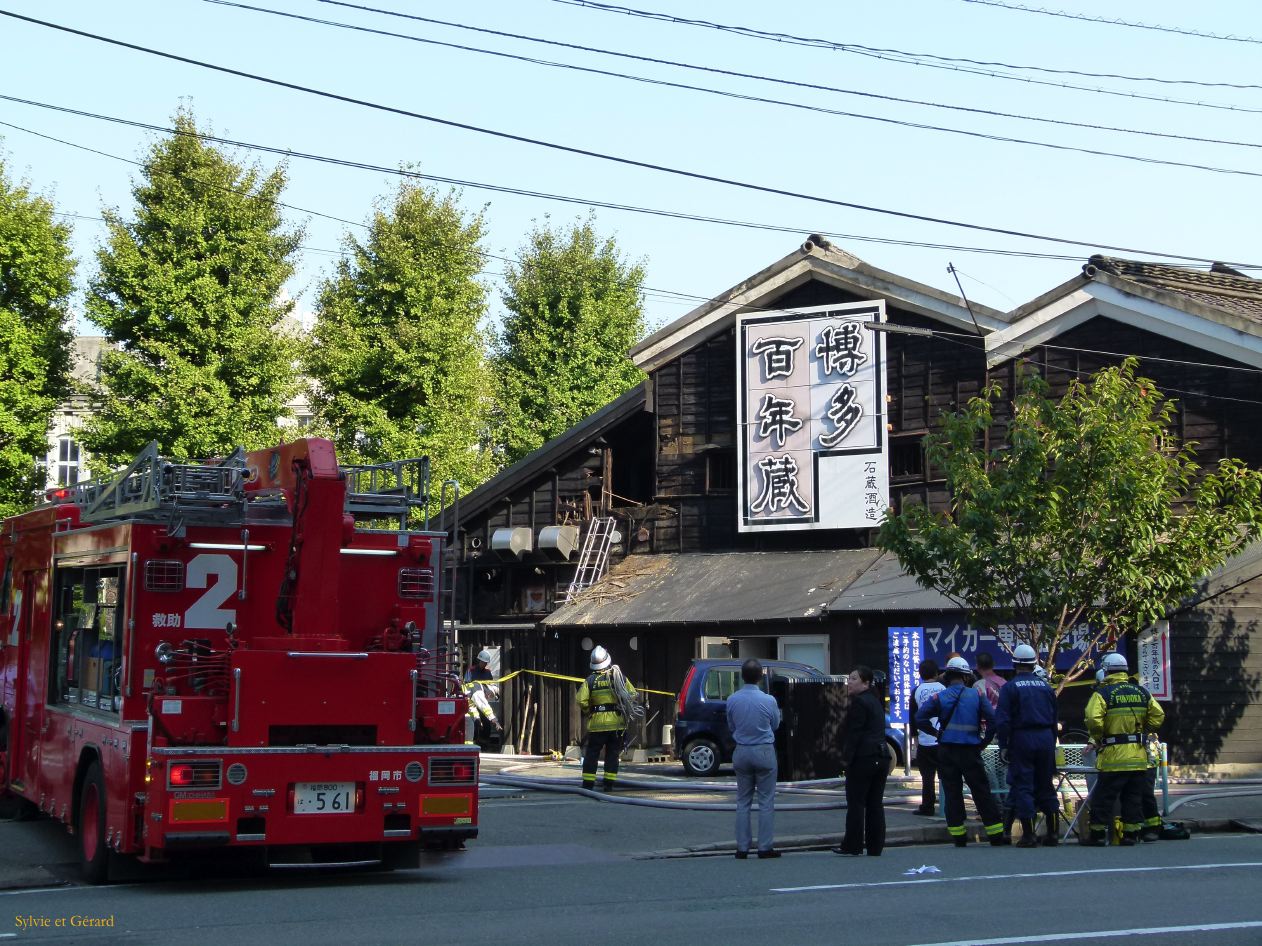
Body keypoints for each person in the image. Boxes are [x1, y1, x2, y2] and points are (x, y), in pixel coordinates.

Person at [916, 656, 1007, 847]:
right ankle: (996, 835)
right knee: (981, 791)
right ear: (966, 677)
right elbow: (993, 721)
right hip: (970, 750)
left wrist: (936, 733)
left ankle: (959, 836)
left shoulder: (939, 697)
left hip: (947, 751)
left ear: (948, 676)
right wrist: (983, 742)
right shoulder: (976, 695)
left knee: (952, 792)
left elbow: (920, 718)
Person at [1083, 652, 1165, 846]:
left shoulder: (1102, 693)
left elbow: (1093, 719)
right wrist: (1143, 732)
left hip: (1113, 756)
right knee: (1133, 798)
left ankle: (1098, 835)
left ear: (1106, 670)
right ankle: (1131, 835)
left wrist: (1098, 737)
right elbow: (1158, 716)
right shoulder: (1142, 692)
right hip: (1138, 756)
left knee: (1103, 797)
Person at [995, 644, 1060, 848]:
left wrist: (1004, 745)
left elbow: (1003, 720)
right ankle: (1053, 833)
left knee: (1024, 785)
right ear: (1034, 664)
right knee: (1046, 785)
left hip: (1022, 738)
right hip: (1046, 738)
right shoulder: (1046, 687)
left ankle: (1029, 835)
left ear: (1014, 664)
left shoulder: (1010, 687)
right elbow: (1054, 717)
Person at [726, 659, 782, 859]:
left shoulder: (732, 699)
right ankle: (765, 847)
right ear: (760, 677)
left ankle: (742, 847)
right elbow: (775, 724)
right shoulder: (769, 700)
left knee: (743, 801)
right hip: (764, 750)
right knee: (766, 801)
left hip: (742, 750)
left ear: (742, 676)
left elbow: (731, 725)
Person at [835, 665, 890, 856]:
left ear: (866, 683)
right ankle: (875, 846)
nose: (849, 682)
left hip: (864, 757)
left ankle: (853, 844)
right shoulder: (875, 701)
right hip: (881, 757)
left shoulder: (859, 703)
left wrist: (846, 760)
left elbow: (854, 734)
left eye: (854, 679)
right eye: (849, 678)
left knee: (857, 802)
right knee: (875, 802)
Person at [576, 645, 636, 792]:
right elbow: (632, 694)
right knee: (612, 754)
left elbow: (581, 700)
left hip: (597, 724)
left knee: (592, 754)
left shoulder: (590, 681)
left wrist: (589, 710)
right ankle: (608, 784)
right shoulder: (619, 677)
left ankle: (588, 784)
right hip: (616, 724)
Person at [910, 659, 944, 817]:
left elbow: (913, 717)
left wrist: (915, 737)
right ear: (937, 673)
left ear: (920, 674)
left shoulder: (917, 690)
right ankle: (948, 806)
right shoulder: (943, 689)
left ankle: (928, 806)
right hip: (943, 739)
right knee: (947, 775)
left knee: (928, 777)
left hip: (925, 740)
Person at [463, 648, 503, 749]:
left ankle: (484, 743)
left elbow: (490, 685)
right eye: (483, 662)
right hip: (472, 701)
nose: (484, 664)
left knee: (486, 723)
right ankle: (475, 743)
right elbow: (467, 686)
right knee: (475, 722)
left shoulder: (488, 672)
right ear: (479, 661)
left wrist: (491, 692)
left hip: (483, 699)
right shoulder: (470, 671)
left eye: (486, 663)